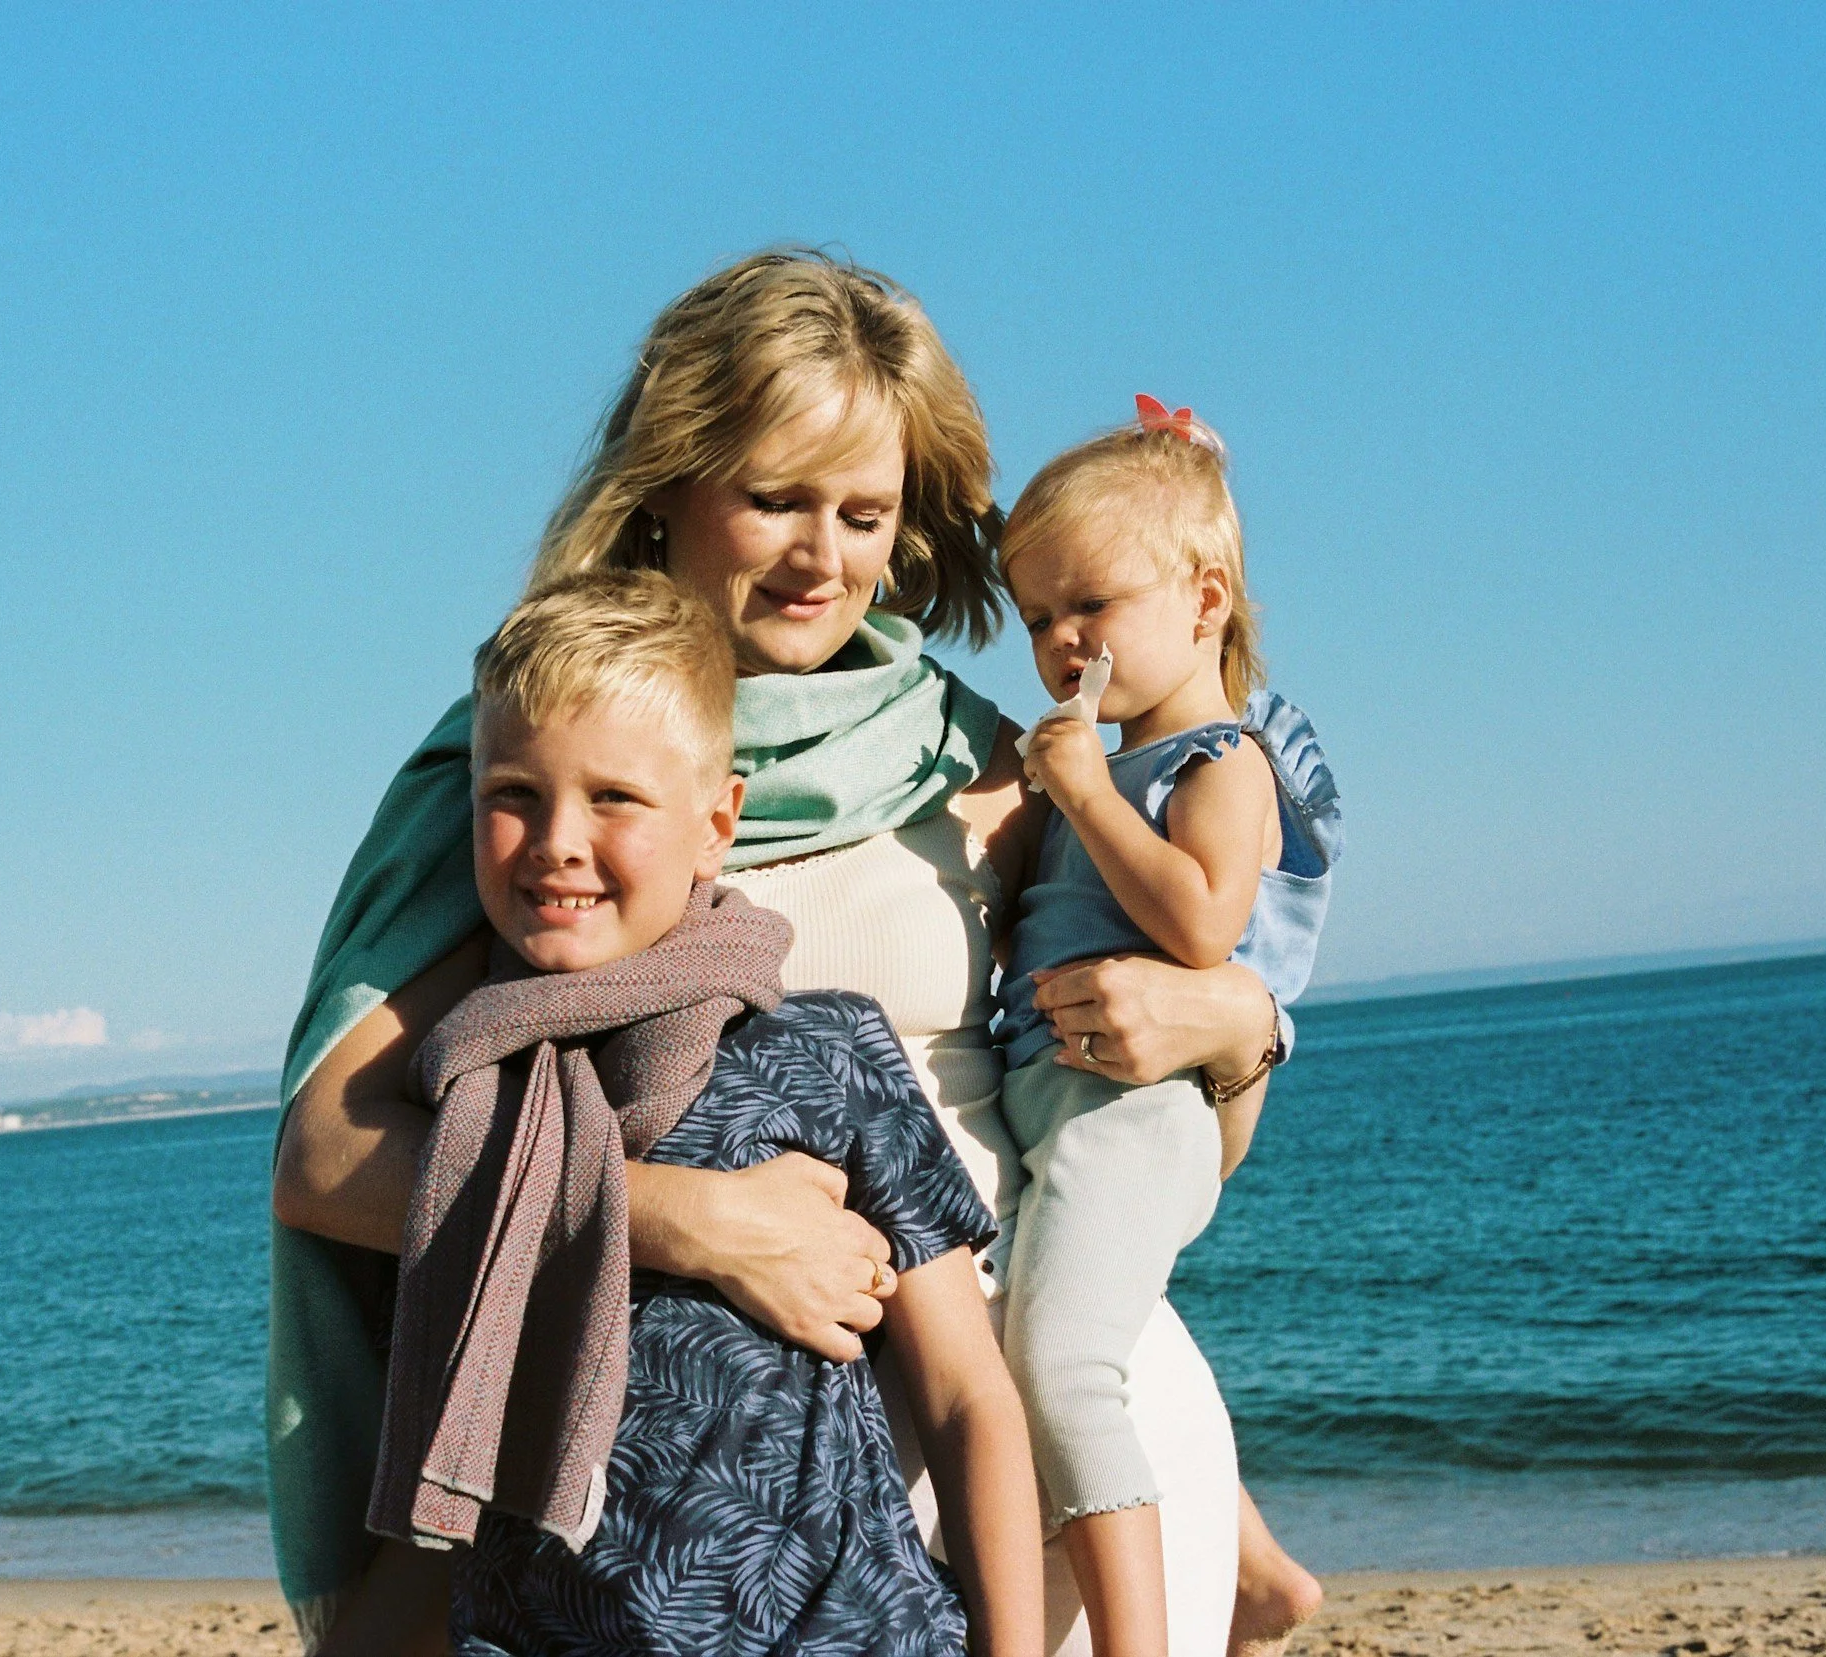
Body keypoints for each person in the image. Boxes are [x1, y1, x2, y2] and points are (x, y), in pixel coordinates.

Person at [270, 248, 1321, 1656]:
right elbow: (329, 1160)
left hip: (1032, 1436)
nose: (824, 556)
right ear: (668, 485)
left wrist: (1241, 1030)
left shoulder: (993, 762)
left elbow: (1157, 1141)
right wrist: (697, 1221)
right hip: (703, 1474)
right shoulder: (535, 769)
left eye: (865, 513)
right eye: (774, 498)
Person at [376, 570, 1042, 1655]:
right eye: (513, 793)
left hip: (850, 1628)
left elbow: (967, 1394)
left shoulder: (824, 1051)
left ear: (715, 820)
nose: (555, 838)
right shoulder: (461, 1087)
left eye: (614, 798)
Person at [998, 402, 1343, 1657]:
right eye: (1035, 616)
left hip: (1131, 1114)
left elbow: (1203, 927)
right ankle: (1249, 1571)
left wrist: (1083, 789)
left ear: (1203, 602)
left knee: (1065, 1363)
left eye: (1088, 603)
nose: (1058, 640)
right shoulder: (1105, 766)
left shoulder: (1219, 764)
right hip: (1055, 1095)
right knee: (1063, 1332)